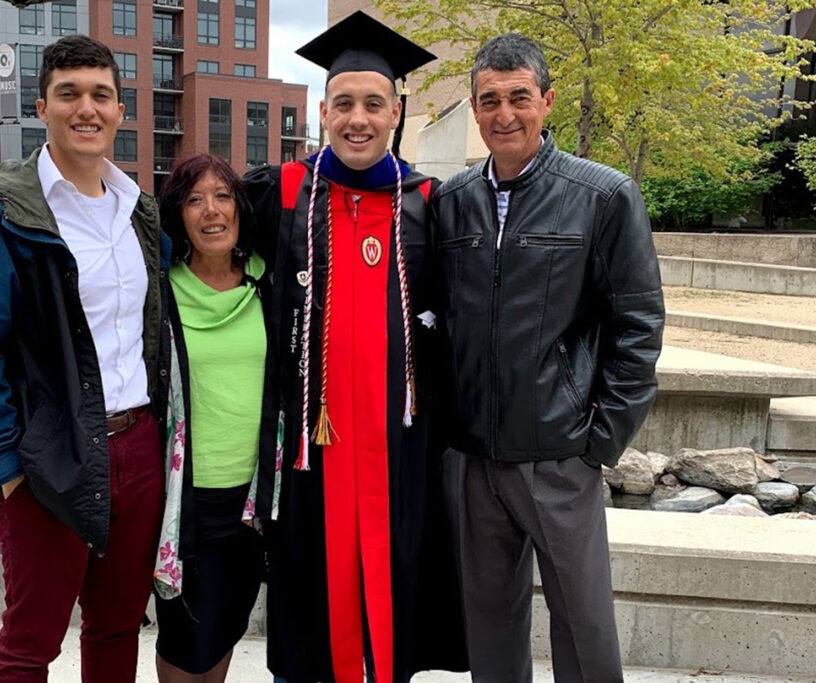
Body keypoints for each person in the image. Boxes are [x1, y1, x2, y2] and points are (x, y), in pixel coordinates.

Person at [0, 34, 166, 681]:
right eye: (69, 94)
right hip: (49, 451)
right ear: (42, 107)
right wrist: (7, 465)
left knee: (117, 626)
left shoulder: (137, 210)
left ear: (120, 110)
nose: (85, 108)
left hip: (138, 445)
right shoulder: (1, 209)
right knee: (31, 641)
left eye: (100, 95)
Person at [431, 33, 665, 682]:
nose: (504, 113)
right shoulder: (451, 204)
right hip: (476, 458)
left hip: (561, 456)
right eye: (489, 100)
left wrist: (599, 440)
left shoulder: (603, 196)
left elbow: (638, 326)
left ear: (547, 101)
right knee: (490, 630)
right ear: (474, 111)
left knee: (585, 628)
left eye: (519, 97)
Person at [245, 11, 464, 683]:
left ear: (397, 111)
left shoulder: (429, 202)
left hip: (403, 448)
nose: (358, 118)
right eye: (344, 103)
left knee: (396, 585)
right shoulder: (281, 192)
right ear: (323, 110)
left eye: (374, 103)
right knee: (310, 595)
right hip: (311, 447)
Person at [151, 153, 268, 682]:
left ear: (240, 209)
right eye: (194, 200)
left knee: (225, 626)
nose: (211, 211)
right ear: (178, 216)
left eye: (223, 196)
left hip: (255, 500)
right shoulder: (161, 293)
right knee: (184, 639)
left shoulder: (271, 284)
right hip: (186, 499)